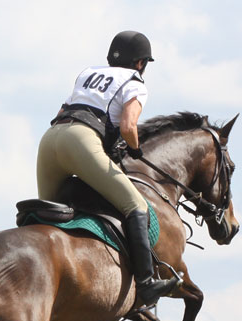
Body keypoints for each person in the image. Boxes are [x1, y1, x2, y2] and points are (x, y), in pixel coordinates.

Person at [36, 30, 180, 306]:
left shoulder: (87, 74)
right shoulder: (135, 82)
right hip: (81, 141)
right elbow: (128, 127)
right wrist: (135, 148)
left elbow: (60, 113)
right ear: (140, 63)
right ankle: (147, 284)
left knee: (45, 219)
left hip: (49, 141)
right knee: (136, 206)